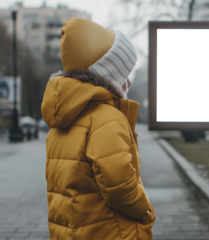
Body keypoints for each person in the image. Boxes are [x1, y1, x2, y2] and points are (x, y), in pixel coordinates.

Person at [41, 17, 155, 240]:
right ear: (109, 75)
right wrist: (145, 212)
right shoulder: (107, 117)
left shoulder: (62, 119)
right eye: (124, 74)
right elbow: (120, 186)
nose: (129, 82)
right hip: (110, 231)